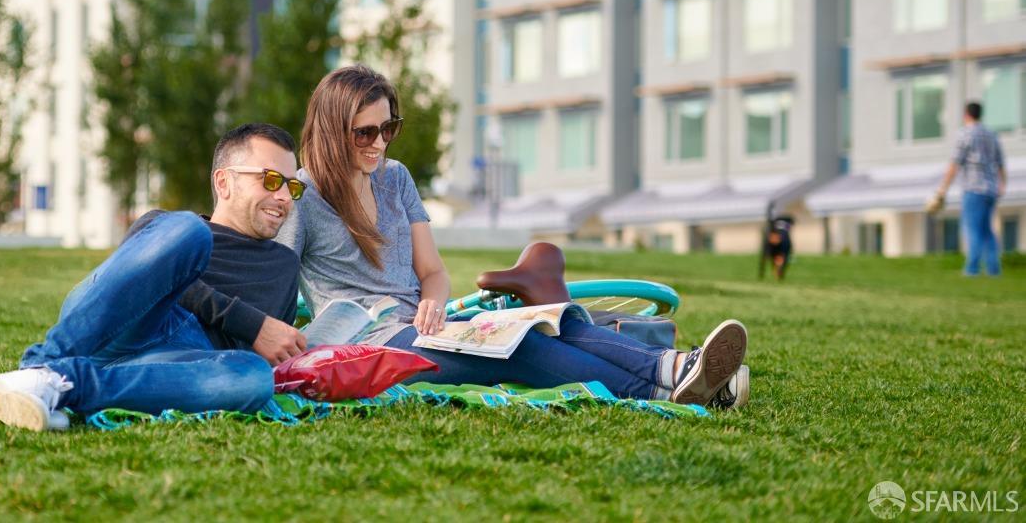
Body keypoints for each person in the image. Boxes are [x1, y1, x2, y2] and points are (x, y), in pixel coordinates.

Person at [277, 64, 749, 407]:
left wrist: (433, 301)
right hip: (375, 345)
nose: (379, 144)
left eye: (389, 128)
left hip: (425, 326)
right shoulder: (302, 195)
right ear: (333, 129)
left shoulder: (395, 176)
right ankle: (667, 390)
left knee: (550, 320)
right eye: (365, 133)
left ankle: (677, 369)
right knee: (524, 347)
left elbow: (433, 272)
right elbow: (272, 285)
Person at [0, 123, 308, 431]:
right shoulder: (167, 229)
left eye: (292, 186)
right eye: (269, 180)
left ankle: (58, 383)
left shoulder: (284, 265)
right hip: (113, 329)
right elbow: (126, 291)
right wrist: (250, 323)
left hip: (180, 362)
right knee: (191, 232)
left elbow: (261, 352)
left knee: (253, 379)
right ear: (223, 182)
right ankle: (45, 363)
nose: (283, 196)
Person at [930, 101, 1006, 277]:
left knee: (972, 229)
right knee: (987, 230)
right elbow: (1000, 163)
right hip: (991, 189)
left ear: (966, 115)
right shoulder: (991, 135)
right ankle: (994, 269)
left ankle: (972, 268)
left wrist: (942, 189)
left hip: (973, 188)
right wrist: (1003, 184)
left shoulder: (965, 134)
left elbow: (955, 163)